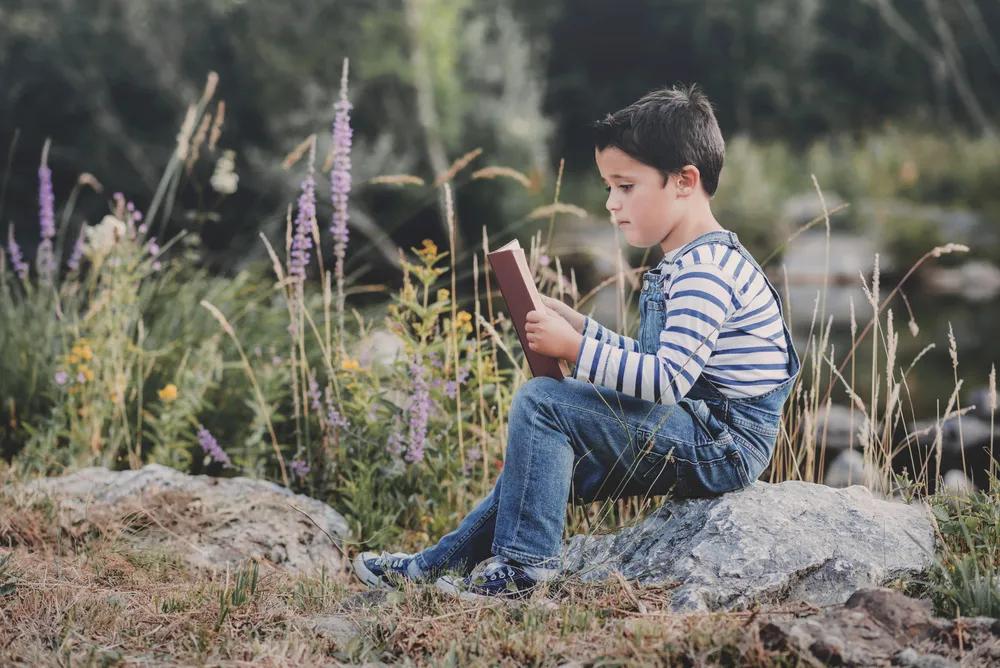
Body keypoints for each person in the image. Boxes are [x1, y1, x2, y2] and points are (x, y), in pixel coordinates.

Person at [354, 84, 801, 599]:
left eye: (625, 186)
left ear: (684, 181)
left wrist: (573, 351)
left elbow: (668, 380)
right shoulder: (686, 261)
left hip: (721, 444)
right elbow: (659, 362)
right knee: (538, 466)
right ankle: (435, 566)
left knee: (543, 403)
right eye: (609, 187)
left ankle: (525, 570)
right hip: (697, 425)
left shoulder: (705, 271)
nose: (611, 203)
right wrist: (584, 329)